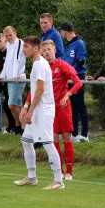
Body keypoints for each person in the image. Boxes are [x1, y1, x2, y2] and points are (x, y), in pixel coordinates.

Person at [26, 40, 82, 180]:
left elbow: (78, 83)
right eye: (44, 50)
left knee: (67, 136)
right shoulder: (42, 66)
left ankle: (69, 171)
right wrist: (26, 106)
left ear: (55, 50)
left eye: (49, 50)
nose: (46, 52)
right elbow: (34, 89)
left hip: (62, 107)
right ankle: (60, 171)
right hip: (48, 108)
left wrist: (67, 95)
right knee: (54, 138)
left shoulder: (62, 65)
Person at [14, 36, 64, 190]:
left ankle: (58, 181)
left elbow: (41, 89)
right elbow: (35, 89)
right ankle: (32, 176)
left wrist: (30, 111)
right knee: (26, 140)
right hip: (37, 110)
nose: (23, 50)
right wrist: (26, 106)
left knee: (48, 143)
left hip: (44, 111)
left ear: (35, 49)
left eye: (26, 47)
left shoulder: (40, 65)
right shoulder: (36, 64)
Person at [60, 22, 89, 142]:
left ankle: (85, 134)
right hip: (68, 78)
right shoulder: (68, 45)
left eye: (61, 31)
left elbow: (80, 61)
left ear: (65, 31)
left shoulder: (79, 43)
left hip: (77, 76)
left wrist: (71, 71)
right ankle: (75, 133)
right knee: (71, 107)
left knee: (80, 105)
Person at [0, 26, 26, 135]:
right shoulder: (8, 45)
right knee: (18, 105)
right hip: (10, 79)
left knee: (12, 105)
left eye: (10, 35)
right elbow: (7, 63)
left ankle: (22, 126)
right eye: (6, 36)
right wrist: (2, 75)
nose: (8, 37)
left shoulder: (20, 44)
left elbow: (19, 60)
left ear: (15, 34)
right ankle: (20, 127)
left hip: (17, 79)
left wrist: (17, 75)